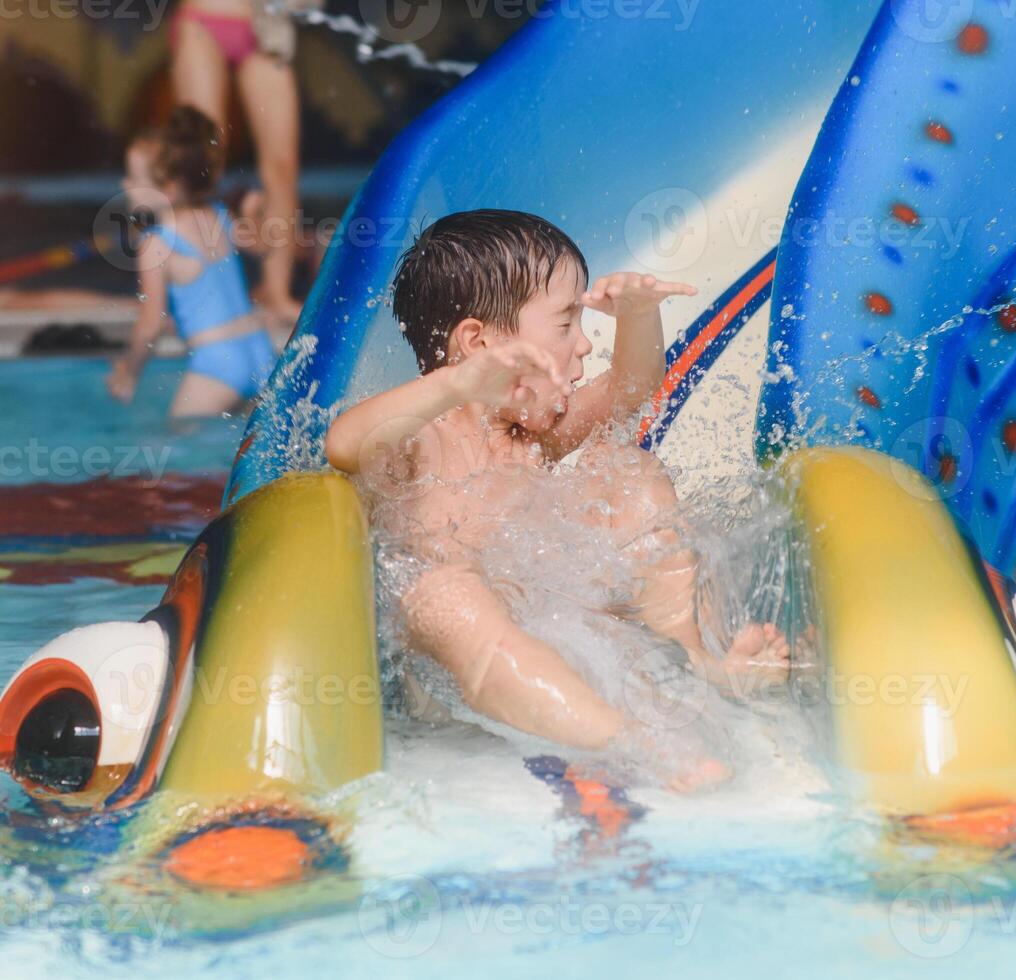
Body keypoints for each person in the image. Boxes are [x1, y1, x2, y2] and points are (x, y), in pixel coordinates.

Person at [324, 210, 790, 789]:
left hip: (549, 624)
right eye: (566, 323)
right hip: (457, 663)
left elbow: (631, 394)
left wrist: (638, 318)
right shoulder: (425, 440)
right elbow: (343, 445)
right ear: (479, 343)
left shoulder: (531, 437)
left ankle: (693, 659)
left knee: (630, 474)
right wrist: (456, 384)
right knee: (446, 591)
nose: (584, 344)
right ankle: (631, 741)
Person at [106, 107, 279, 417]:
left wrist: (128, 371)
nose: (125, 184)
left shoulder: (156, 243)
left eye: (134, 178)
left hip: (219, 363)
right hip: (261, 352)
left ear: (168, 188)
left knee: (176, 447)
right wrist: (252, 210)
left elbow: (151, 323)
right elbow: (266, 247)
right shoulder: (219, 215)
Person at [170, 0, 315, 328]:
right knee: (200, 165)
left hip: (264, 28)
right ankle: (200, 293)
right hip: (203, 21)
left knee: (283, 166)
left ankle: (277, 294)